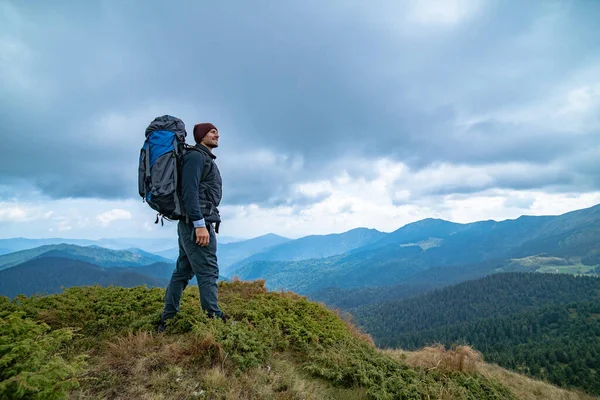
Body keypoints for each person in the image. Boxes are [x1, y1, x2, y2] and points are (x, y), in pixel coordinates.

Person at [158, 122, 227, 332]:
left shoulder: (202, 158)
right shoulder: (196, 157)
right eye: (211, 131)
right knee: (208, 271)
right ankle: (213, 319)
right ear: (200, 136)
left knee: (183, 270)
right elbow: (190, 192)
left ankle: (167, 320)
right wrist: (199, 225)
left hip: (193, 223)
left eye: (217, 130)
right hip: (197, 223)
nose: (216, 133)